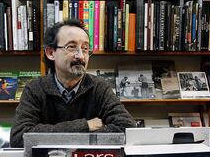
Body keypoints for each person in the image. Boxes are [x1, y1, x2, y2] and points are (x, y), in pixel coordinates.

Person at [10, 19, 136, 147]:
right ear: (50, 53)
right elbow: (19, 138)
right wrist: (84, 126)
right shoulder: (35, 89)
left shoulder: (99, 87)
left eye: (85, 48)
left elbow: (127, 129)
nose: (81, 56)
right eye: (71, 47)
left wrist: (51, 136)